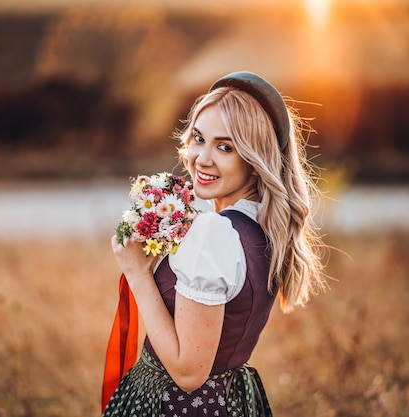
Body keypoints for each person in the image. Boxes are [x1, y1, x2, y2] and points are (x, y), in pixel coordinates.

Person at [105, 71, 326, 416]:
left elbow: (188, 372)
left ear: (255, 161)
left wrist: (137, 274)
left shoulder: (214, 233)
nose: (202, 159)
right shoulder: (259, 225)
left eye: (225, 147)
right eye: (198, 138)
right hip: (232, 398)